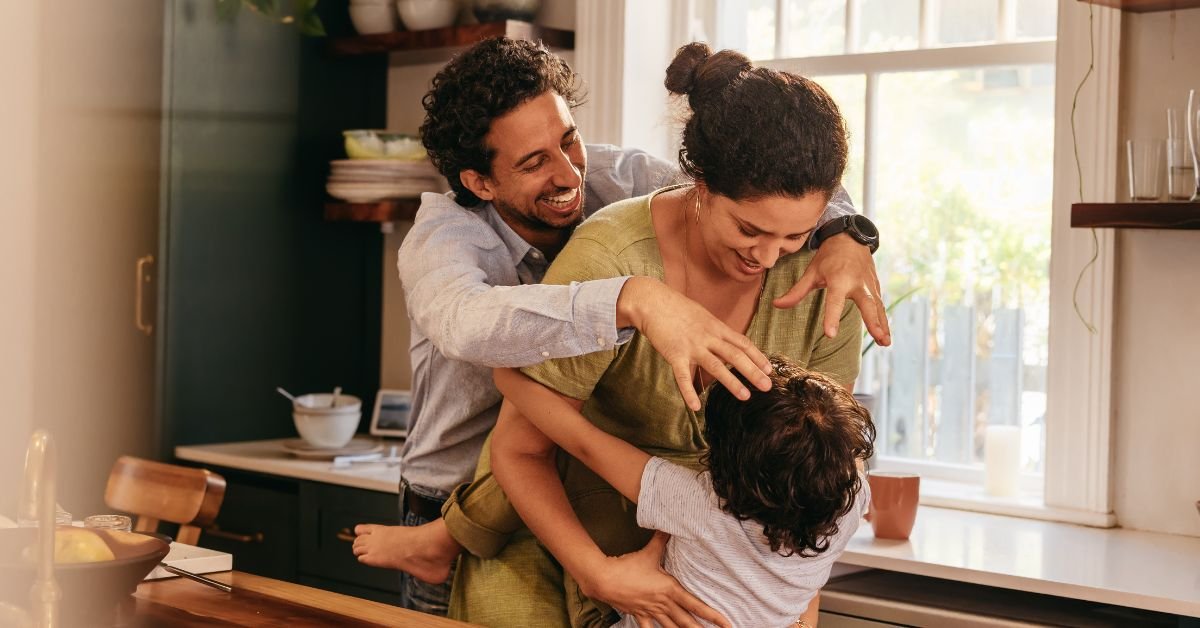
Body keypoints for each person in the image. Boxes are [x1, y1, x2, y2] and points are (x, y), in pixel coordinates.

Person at [351, 36, 886, 617]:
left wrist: (848, 234)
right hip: (454, 479)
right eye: (533, 162)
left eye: (568, 140)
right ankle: (442, 540)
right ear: (480, 182)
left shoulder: (621, 178)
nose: (567, 173)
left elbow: (778, 175)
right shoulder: (448, 240)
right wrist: (631, 301)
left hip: (580, 468)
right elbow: (468, 331)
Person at [492, 355, 874, 627]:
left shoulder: (698, 503)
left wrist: (506, 378)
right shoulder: (852, 503)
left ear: (721, 457)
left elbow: (584, 442)